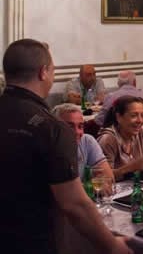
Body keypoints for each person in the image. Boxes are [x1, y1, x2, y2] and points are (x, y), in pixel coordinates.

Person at [0, 39, 131, 254]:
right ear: (44, 72)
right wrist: (113, 245)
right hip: (31, 242)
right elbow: (75, 205)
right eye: (52, 69)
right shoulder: (52, 128)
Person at [97, 96, 143, 180]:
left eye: (142, 115)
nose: (140, 120)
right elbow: (103, 177)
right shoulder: (108, 140)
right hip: (115, 191)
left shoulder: (141, 135)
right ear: (119, 117)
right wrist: (132, 167)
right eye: (134, 115)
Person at [54, 103, 114, 178]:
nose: (76, 132)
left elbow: (108, 177)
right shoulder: (49, 150)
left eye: (80, 126)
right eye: (70, 126)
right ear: (54, 128)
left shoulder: (87, 141)